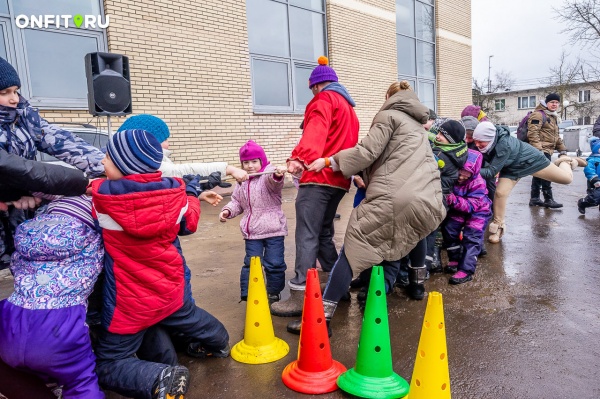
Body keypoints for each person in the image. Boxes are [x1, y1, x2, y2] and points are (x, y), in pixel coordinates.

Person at [288, 82, 445, 335]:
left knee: (354, 244)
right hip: (430, 195)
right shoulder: (417, 125)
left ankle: (321, 320)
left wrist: (330, 160)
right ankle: (417, 286)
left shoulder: (388, 115)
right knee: (414, 232)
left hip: (397, 194)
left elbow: (368, 151)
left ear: (389, 97)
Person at [91, 129, 230, 399]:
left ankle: (160, 378)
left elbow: (92, 189)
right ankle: (221, 342)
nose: (101, 163)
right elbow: (188, 224)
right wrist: (191, 193)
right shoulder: (175, 193)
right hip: (171, 287)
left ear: (123, 165)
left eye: (107, 158)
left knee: (107, 362)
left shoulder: (102, 199)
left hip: (129, 303)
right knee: (191, 318)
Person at [271, 56, 359, 317]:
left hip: (317, 179)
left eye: (311, 89)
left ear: (317, 86)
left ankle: (299, 295)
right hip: (339, 180)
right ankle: (337, 287)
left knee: (307, 234)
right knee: (322, 234)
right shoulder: (349, 109)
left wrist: (299, 157)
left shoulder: (323, 100)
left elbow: (316, 131)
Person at [0, 56, 104, 273]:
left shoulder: (24, 116)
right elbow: (11, 167)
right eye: (4, 93)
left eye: (16, 90)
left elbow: (61, 141)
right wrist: (80, 183)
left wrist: (108, 166)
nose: (14, 99)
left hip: (18, 211)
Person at [0, 196, 104, 399]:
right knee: (81, 381)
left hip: (10, 320)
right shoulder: (92, 241)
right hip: (60, 326)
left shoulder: (25, 238)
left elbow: (15, 267)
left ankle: (42, 381)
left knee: (26, 357)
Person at [472, 121, 579, 243]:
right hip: (511, 168)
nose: (477, 144)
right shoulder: (487, 143)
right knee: (500, 193)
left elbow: (491, 172)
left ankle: (566, 162)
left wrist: (469, 170)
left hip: (531, 161)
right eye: (475, 141)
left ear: (490, 138)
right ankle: (498, 228)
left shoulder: (504, 144)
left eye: (480, 141)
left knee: (566, 179)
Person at [219, 140, 287, 303]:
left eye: (254, 161)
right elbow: (236, 201)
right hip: (252, 233)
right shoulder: (242, 181)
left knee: (275, 263)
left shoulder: (268, 175)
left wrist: (278, 174)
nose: (250, 166)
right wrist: (227, 211)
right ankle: (248, 292)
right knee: (251, 263)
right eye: (246, 162)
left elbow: (274, 182)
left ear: (262, 161)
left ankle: (273, 292)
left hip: (273, 230)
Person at [117, 114, 247, 181]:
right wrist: (227, 169)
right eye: (165, 139)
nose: (168, 144)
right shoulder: (149, 166)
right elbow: (180, 171)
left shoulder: (127, 162)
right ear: (150, 143)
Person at [442, 149, 492, 284]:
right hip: (458, 209)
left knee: (472, 237)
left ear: (474, 172)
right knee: (449, 230)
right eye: (460, 172)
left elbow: (473, 205)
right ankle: (455, 259)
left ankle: (466, 270)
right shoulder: (452, 178)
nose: (462, 177)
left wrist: (453, 200)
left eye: (467, 174)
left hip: (478, 212)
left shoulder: (478, 183)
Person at [527, 93, 568, 208]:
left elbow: (555, 136)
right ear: (547, 103)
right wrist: (538, 149)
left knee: (539, 174)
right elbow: (533, 133)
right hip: (542, 150)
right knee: (548, 174)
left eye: (556, 102)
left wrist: (562, 149)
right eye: (552, 102)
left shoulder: (552, 116)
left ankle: (535, 198)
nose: (554, 104)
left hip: (547, 150)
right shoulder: (538, 115)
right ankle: (548, 199)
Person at [577, 137, 600, 214]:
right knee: (594, 199)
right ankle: (582, 203)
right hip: (595, 183)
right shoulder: (592, 160)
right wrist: (594, 179)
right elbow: (588, 170)